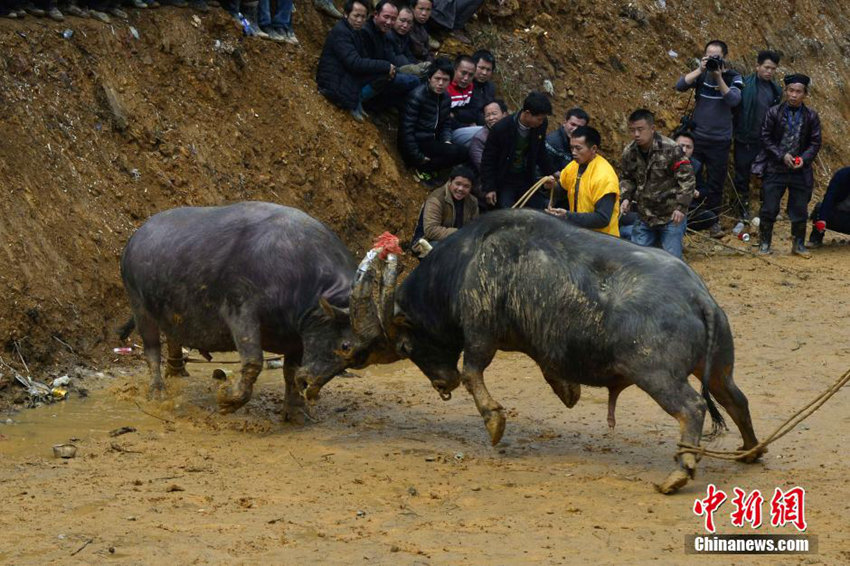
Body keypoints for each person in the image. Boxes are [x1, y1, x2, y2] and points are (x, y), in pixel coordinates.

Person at [676, 40, 743, 237]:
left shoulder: (733, 77)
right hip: (696, 138)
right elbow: (679, 86)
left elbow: (733, 100)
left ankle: (712, 221)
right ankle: (688, 217)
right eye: (709, 56)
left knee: (715, 182)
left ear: (725, 58)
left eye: (717, 57)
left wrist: (718, 77)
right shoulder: (700, 75)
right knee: (689, 177)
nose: (712, 60)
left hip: (720, 140)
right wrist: (700, 70)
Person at [754, 74, 822, 257]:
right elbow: (765, 137)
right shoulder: (774, 112)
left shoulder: (811, 116)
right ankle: (764, 243)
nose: (793, 95)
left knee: (799, 208)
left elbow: (815, 142)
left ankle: (798, 244)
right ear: (785, 91)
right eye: (791, 90)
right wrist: (781, 155)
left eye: (798, 92)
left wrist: (803, 159)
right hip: (776, 167)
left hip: (800, 170)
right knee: (769, 207)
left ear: (805, 94)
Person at [619, 109, 694, 258]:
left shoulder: (671, 149)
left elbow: (687, 179)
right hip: (644, 216)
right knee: (637, 259)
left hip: (670, 216)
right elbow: (627, 177)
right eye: (632, 130)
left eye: (640, 130)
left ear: (652, 129)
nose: (636, 135)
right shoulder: (630, 152)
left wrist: (681, 207)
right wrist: (626, 197)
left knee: (671, 262)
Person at [316, 0, 394, 122]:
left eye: (363, 17)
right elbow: (354, 63)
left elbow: (364, 58)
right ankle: (353, 102)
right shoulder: (341, 32)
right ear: (346, 14)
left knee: (384, 74)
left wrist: (386, 67)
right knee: (380, 71)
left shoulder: (355, 31)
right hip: (332, 82)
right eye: (356, 16)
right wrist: (384, 65)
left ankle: (357, 101)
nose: (359, 20)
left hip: (344, 75)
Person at [480, 92, 558, 209]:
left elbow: (540, 151)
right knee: (508, 212)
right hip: (505, 178)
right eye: (539, 119)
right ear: (527, 113)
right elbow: (488, 160)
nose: (541, 122)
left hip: (526, 177)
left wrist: (553, 172)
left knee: (537, 210)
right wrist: (489, 188)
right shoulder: (501, 128)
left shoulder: (540, 125)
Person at [733, 50, 783, 220]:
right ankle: (742, 211)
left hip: (765, 141)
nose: (769, 71)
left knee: (767, 176)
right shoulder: (744, 85)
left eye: (773, 69)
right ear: (757, 66)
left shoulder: (776, 90)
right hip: (744, 138)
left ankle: (766, 209)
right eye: (766, 67)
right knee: (742, 175)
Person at [398, 57, 468, 176]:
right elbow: (406, 131)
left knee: (463, 152)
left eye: (445, 80)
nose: (440, 83)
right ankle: (423, 168)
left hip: (431, 140)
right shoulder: (417, 96)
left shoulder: (445, 97)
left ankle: (430, 169)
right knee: (455, 152)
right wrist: (417, 156)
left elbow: (446, 123)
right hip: (416, 142)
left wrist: (447, 140)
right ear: (429, 78)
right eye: (437, 78)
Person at [545, 126, 619, 236]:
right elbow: (563, 188)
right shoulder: (573, 166)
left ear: (593, 149)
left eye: (578, 148)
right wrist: (551, 186)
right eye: (571, 148)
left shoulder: (604, 176)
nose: (573, 152)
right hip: (581, 235)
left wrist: (568, 216)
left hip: (603, 241)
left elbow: (602, 218)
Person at [360, 0, 420, 110]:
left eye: (392, 19)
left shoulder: (385, 32)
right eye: (386, 17)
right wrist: (387, 67)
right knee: (413, 81)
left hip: (382, 72)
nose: (389, 22)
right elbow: (363, 62)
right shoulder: (365, 32)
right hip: (368, 76)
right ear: (376, 14)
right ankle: (371, 106)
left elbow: (397, 55)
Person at [413, 165, 480, 244]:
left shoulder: (472, 201)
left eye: (466, 186)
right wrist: (460, 233)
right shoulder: (436, 199)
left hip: (459, 241)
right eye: (458, 184)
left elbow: (474, 227)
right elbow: (431, 230)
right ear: (450, 182)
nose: (460, 189)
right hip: (428, 242)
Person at [675, 131, 718, 232]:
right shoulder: (662, 160)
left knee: (710, 217)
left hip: (686, 209)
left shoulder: (695, 165)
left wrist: (697, 193)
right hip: (663, 207)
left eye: (688, 147)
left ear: (693, 149)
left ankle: (683, 227)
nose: (684, 150)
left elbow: (704, 189)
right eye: (681, 146)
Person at [447, 55, 484, 147]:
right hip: (448, 132)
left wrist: (455, 113)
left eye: (471, 75)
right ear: (454, 70)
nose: (466, 78)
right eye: (463, 73)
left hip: (466, 130)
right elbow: (445, 117)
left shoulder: (471, 87)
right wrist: (466, 125)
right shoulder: (445, 87)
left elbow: (474, 113)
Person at [809, 167, 850, 247]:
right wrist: (822, 219)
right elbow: (829, 197)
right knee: (819, 209)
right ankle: (816, 239)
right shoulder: (842, 175)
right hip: (839, 215)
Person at [545, 107, 589, 171]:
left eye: (580, 127)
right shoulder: (552, 141)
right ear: (565, 122)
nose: (575, 129)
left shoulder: (585, 144)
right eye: (573, 124)